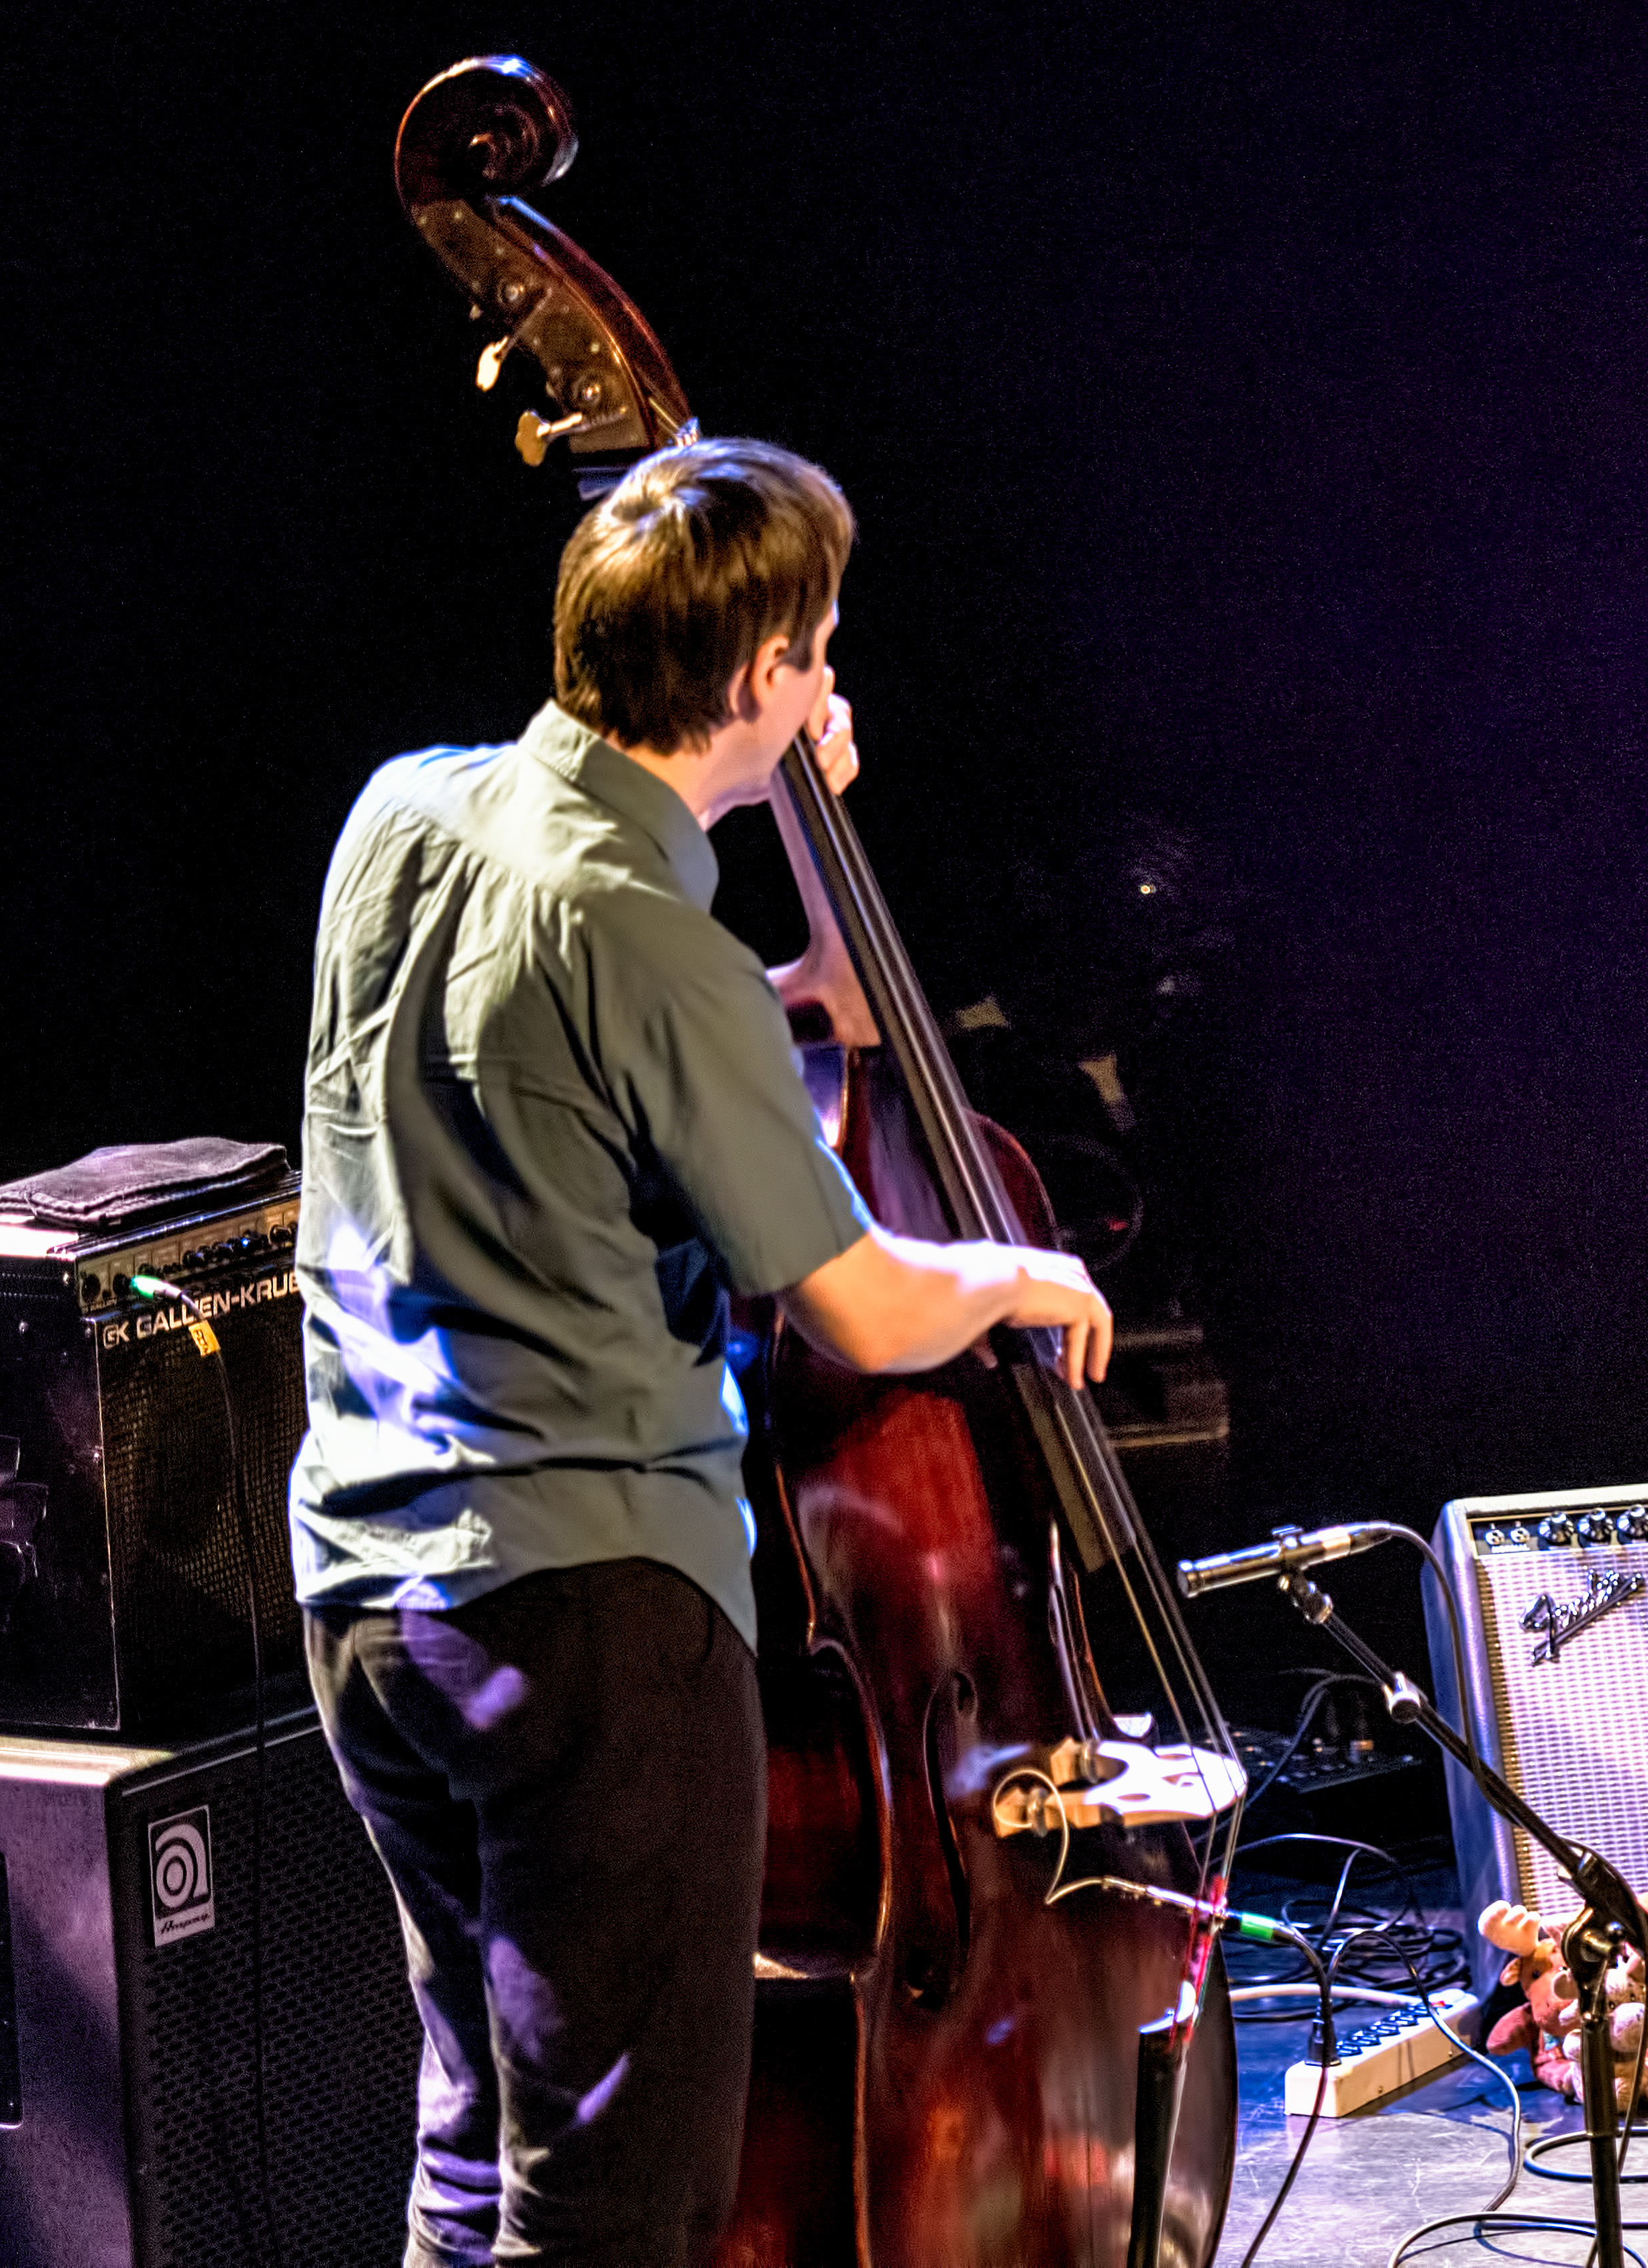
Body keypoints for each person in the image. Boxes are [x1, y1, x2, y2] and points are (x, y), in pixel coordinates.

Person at [291, 438, 1121, 2267]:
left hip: (366, 1600)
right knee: (616, 2206)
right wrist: (1019, 1271)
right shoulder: (646, 938)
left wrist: (765, 819)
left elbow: (659, 1024)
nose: (829, 685)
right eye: (815, 655)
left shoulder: (405, 813)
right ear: (753, 677)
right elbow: (861, 1303)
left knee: (475, 2143)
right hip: (578, 1620)